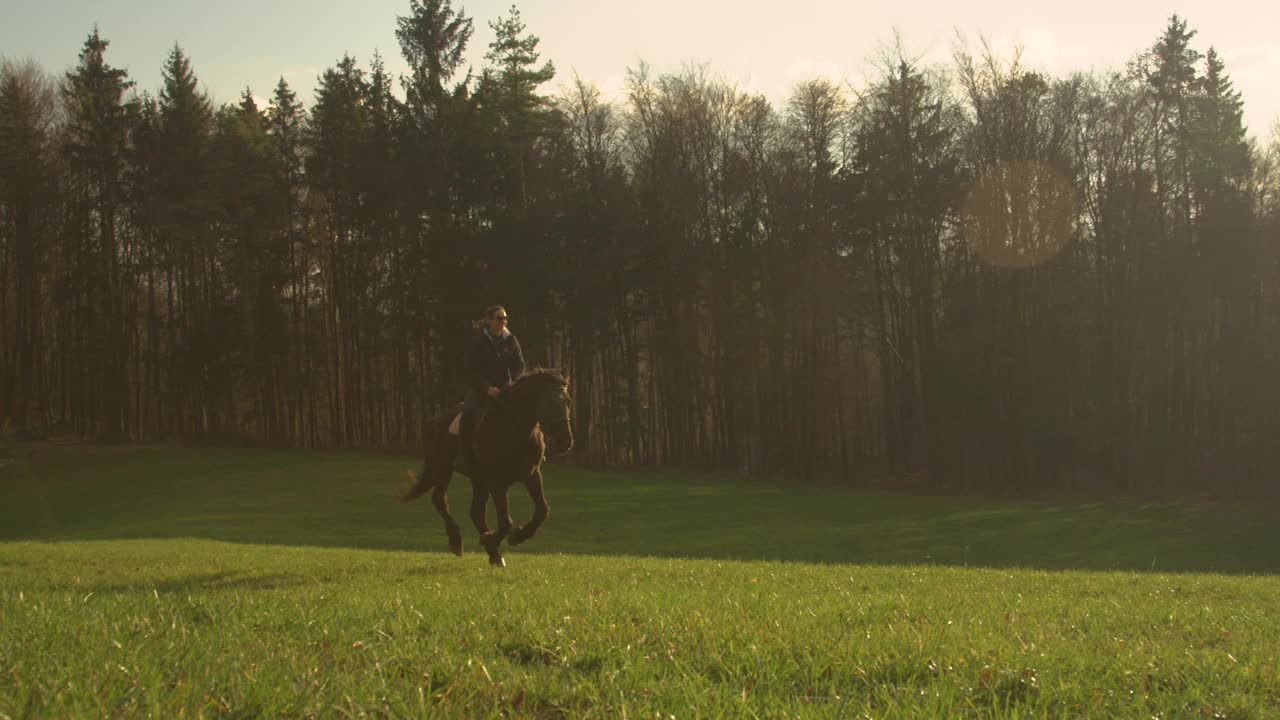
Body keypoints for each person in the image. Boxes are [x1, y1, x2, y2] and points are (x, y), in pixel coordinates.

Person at [458, 305, 525, 469]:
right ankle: (465, 456)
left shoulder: (511, 339)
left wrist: (513, 381)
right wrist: (487, 388)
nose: (503, 321)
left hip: (505, 390)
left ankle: (529, 454)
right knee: (468, 414)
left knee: (525, 414)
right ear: (489, 320)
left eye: (505, 318)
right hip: (481, 390)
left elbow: (520, 365)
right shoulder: (478, 340)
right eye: (499, 318)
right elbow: (470, 370)